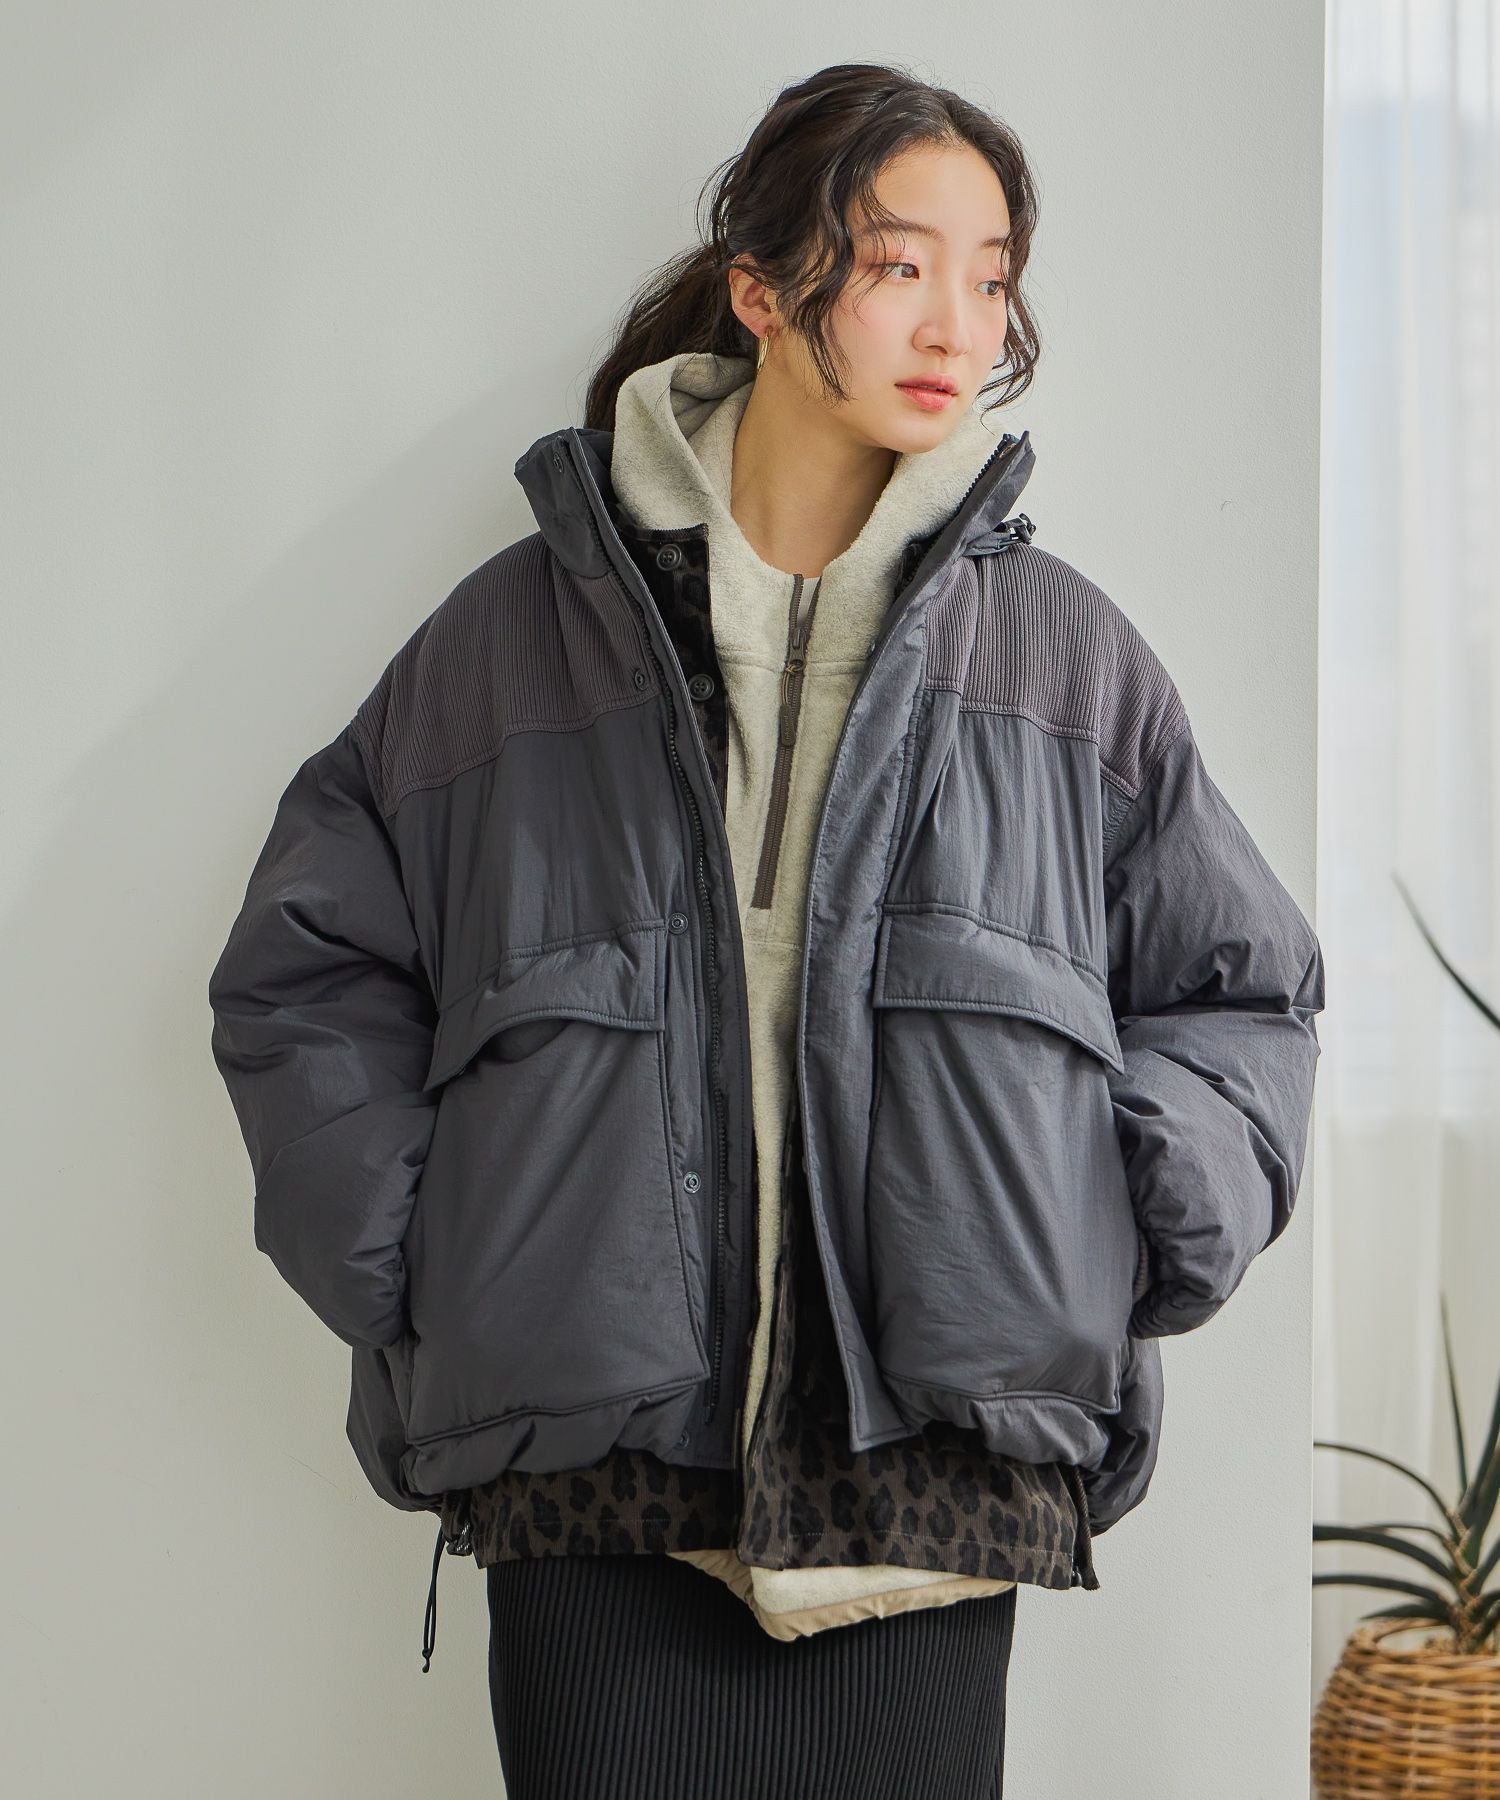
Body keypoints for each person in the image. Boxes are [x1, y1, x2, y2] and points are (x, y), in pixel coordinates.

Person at [208, 60, 1325, 1800]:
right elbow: (305, 971)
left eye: (992, 278)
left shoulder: (1063, 660)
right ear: (762, 286)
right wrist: (418, 1262)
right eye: (898, 265)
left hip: (929, 1478)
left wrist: (1110, 1229)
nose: (957, 323)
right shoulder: (514, 643)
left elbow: (1241, 996)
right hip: (595, 1473)